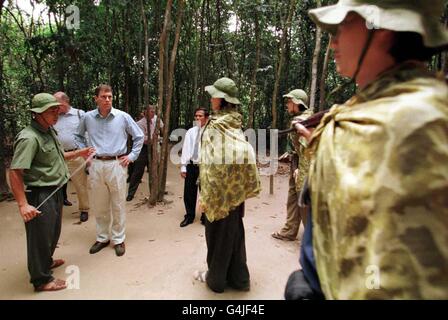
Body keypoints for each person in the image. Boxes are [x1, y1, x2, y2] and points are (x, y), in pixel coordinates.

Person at [286, 0, 448, 299]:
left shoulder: (416, 123)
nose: (334, 40)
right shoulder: (371, 107)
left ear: (382, 29)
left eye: (344, 25)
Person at [9, 93, 93, 292]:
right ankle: (41, 280)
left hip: (55, 190)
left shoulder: (48, 131)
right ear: (37, 114)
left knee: (52, 233)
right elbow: (15, 172)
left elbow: (57, 156)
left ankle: (45, 262)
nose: (56, 114)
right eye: (51, 110)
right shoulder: (29, 137)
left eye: (57, 109)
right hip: (39, 193)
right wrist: (23, 204)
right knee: (40, 236)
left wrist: (79, 153)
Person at [194, 77, 261, 293]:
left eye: (214, 95)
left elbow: (210, 165)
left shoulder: (215, 125)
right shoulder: (235, 121)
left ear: (221, 99)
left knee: (217, 237)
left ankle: (216, 281)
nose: (211, 98)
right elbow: (244, 153)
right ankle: (240, 280)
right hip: (235, 192)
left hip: (218, 194)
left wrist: (205, 195)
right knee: (234, 235)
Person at [76, 84, 144, 257]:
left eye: (110, 96)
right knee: (99, 204)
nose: (107, 99)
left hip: (117, 164)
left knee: (118, 203)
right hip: (96, 164)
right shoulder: (87, 117)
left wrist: (132, 156)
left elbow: (139, 136)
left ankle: (119, 239)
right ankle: (102, 237)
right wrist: (85, 154)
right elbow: (77, 136)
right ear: (96, 98)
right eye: (104, 96)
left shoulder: (122, 117)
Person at [271, 90, 313, 241]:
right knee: (293, 198)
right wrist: (294, 166)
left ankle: (313, 239)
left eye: (289, 102)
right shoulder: (304, 118)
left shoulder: (302, 121)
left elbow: (306, 147)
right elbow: (295, 149)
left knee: (304, 202)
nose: (287, 105)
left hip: (307, 168)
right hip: (299, 165)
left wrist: (300, 170)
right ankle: (289, 230)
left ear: (296, 103)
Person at [53, 92, 90, 222]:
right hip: (58, 156)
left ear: (65, 102)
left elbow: (87, 134)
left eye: (57, 103)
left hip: (77, 154)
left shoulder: (80, 114)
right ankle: (55, 209)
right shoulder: (53, 116)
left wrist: (87, 155)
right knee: (55, 184)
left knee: (80, 185)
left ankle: (84, 209)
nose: (55, 106)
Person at [179, 107, 209, 227]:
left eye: (200, 116)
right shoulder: (191, 132)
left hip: (206, 167)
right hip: (192, 166)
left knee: (206, 192)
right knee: (189, 192)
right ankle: (189, 216)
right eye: (196, 116)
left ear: (206, 117)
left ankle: (205, 217)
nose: (197, 118)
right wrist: (183, 167)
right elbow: (186, 149)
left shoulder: (211, 132)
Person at [126, 105, 163, 201]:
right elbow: (142, 139)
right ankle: (131, 193)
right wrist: (155, 139)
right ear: (145, 112)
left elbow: (162, 129)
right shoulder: (139, 123)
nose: (153, 112)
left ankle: (158, 190)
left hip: (153, 148)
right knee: (138, 170)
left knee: (155, 169)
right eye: (151, 110)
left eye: (154, 110)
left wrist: (159, 137)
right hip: (142, 149)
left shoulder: (156, 120)